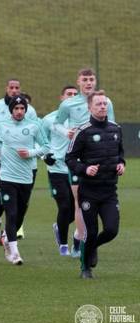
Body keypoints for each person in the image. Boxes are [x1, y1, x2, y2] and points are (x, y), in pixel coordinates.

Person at [55, 68, 115, 258]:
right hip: (79, 160)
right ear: (78, 82)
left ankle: (83, 238)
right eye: (85, 80)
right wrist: (66, 132)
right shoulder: (69, 104)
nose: (88, 83)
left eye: (91, 79)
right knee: (79, 202)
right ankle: (79, 242)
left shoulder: (106, 101)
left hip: (100, 160)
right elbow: (56, 123)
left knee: (98, 202)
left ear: (95, 81)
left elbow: (112, 125)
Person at [65, 90, 124, 279]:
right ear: (89, 107)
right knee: (90, 231)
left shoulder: (116, 129)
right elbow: (70, 159)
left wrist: (122, 164)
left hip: (109, 191)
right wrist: (85, 169)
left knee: (112, 230)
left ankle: (93, 247)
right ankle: (85, 269)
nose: (102, 107)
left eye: (105, 103)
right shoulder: (83, 131)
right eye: (98, 104)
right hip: (89, 191)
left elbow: (120, 155)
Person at [0, 96, 48, 265]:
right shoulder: (1, 125)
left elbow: (46, 147)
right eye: (16, 108)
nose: (19, 111)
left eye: (22, 108)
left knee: (20, 214)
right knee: (10, 213)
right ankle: (14, 252)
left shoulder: (34, 126)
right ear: (11, 110)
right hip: (6, 177)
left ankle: (6, 237)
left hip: (26, 177)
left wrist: (31, 153)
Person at [0, 79, 38, 242]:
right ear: (6, 88)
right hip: (0, 162)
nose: (14, 90)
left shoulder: (30, 111)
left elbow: (37, 135)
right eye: (11, 87)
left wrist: (32, 152)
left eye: (17, 87)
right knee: (2, 199)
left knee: (20, 203)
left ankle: (8, 233)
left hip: (23, 164)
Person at [41, 85, 78, 256]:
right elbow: (39, 141)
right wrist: (45, 156)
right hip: (56, 169)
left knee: (76, 209)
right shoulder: (49, 120)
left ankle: (61, 229)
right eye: (68, 94)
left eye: (75, 94)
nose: (72, 96)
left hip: (77, 169)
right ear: (61, 98)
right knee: (64, 207)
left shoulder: (82, 119)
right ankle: (63, 245)